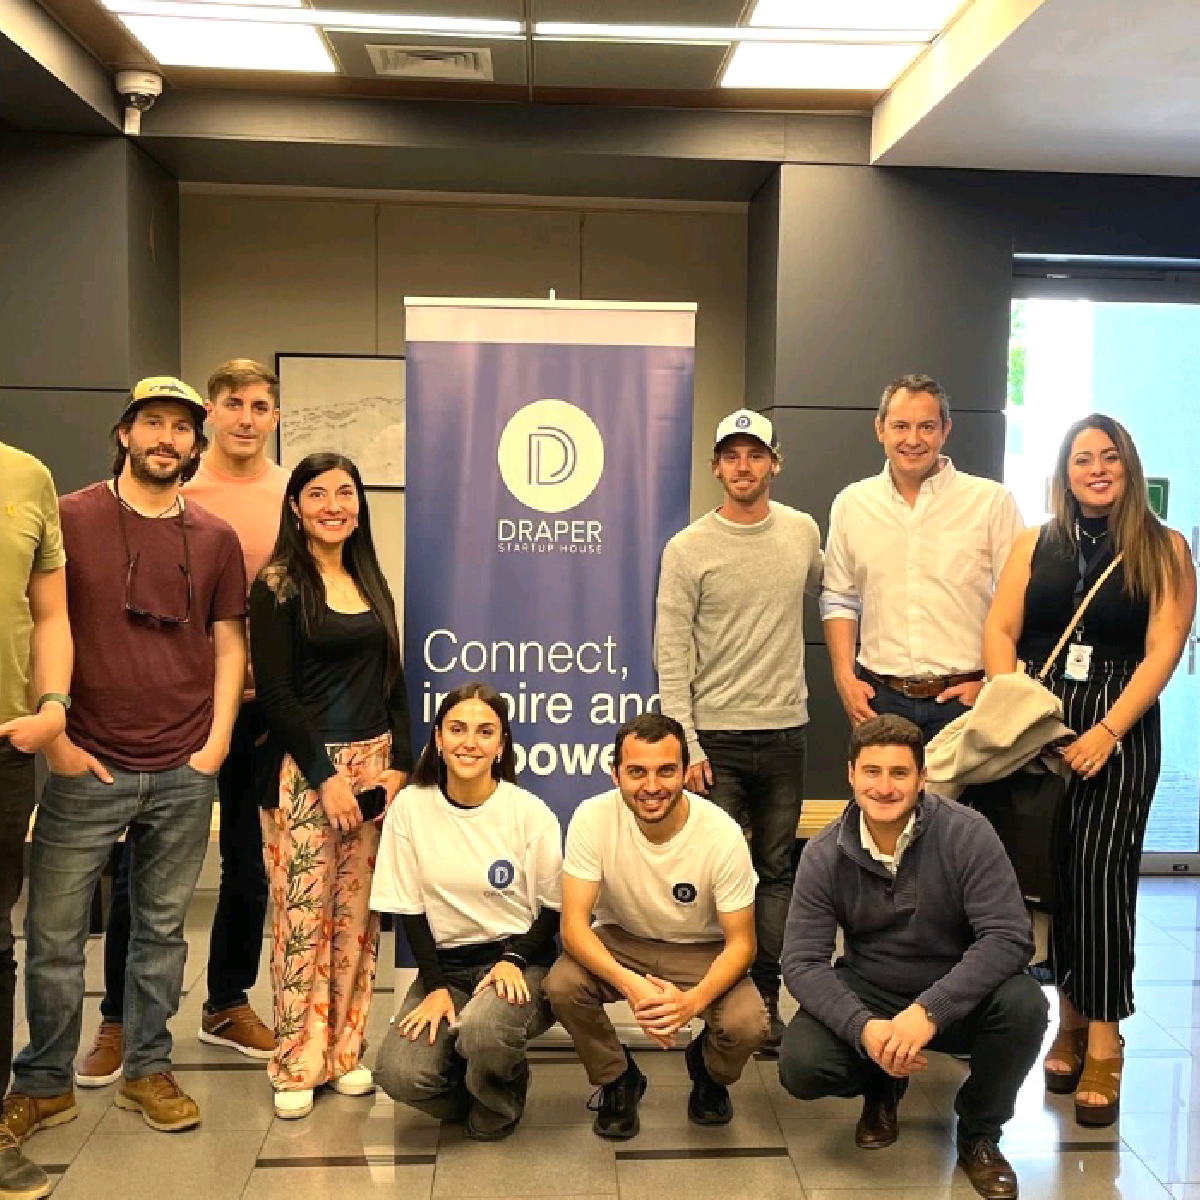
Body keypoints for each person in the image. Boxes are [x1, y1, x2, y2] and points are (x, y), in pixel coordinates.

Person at [2, 377, 247, 1142]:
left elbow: (230, 644)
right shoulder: (69, 516)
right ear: (124, 433)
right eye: (152, 423)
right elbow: (42, 622)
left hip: (183, 768)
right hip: (87, 762)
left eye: (181, 428)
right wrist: (60, 740)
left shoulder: (215, 538)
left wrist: (215, 744)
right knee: (53, 937)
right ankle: (43, 1083)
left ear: (196, 445)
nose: (166, 438)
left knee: (162, 935)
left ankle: (147, 1069)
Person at [79, 359, 288, 1087]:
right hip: (173, 712)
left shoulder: (291, 495)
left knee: (248, 867)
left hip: (263, 711)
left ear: (274, 417)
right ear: (210, 414)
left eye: (259, 406)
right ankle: (119, 1017)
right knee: (140, 871)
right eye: (233, 403)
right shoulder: (173, 492)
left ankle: (226, 1002)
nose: (246, 418)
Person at [983, 413, 1195, 1127]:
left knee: (1101, 878)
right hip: (1040, 715)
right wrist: (1013, 707)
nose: (1096, 469)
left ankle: (1105, 1037)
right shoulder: (1034, 541)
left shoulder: (1165, 547)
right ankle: (1068, 1023)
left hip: (1120, 718)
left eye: (1109, 457)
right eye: (1082, 459)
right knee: (1053, 877)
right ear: (1065, 473)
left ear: (1128, 466)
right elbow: (1000, 629)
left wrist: (1108, 730)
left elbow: (1165, 648)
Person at [778, 715, 1048, 1200]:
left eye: (899, 773)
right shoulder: (823, 852)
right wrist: (864, 1029)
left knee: (1025, 1004)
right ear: (851, 774)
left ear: (923, 778)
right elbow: (802, 962)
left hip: (956, 993)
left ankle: (980, 1133)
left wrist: (929, 1012)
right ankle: (881, 1086)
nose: (884, 787)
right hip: (873, 990)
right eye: (872, 771)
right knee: (802, 1065)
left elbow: (1009, 937)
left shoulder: (967, 833)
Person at [249, 450, 413, 1119]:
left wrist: (400, 764)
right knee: (302, 921)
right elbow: (277, 695)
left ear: (359, 506)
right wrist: (325, 777)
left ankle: (344, 1052)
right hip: (306, 770)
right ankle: (296, 1060)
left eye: (345, 493)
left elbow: (393, 678)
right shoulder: (278, 584)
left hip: (375, 766)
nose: (333, 506)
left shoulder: (370, 578)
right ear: (295, 506)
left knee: (357, 921)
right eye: (317, 494)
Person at [654, 408, 822, 1052]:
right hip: (715, 741)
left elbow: (840, 591)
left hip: (785, 733)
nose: (743, 466)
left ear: (775, 463)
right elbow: (672, 654)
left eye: (755, 454)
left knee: (776, 871)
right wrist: (687, 745)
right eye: (732, 455)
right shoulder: (688, 548)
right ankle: (719, 999)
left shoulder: (802, 532)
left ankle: (767, 999)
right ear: (716, 467)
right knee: (719, 875)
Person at [545, 712, 767, 1140]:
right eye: (636, 772)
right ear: (615, 774)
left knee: (748, 1024)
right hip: (623, 939)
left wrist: (690, 1003)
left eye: (666, 771)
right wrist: (632, 986)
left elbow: (742, 945)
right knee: (563, 985)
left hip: (703, 948)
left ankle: (708, 1072)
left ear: (685, 771)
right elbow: (573, 927)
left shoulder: (721, 834)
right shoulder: (592, 818)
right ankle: (618, 1078)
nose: (651, 786)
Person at [372, 683, 562, 1141]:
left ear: (501, 745)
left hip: (518, 963)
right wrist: (435, 986)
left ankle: (500, 1093)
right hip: (449, 969)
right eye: (457, 729)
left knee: (482, 1031)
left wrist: (513, 959)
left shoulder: (529, 813)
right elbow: (410, 909)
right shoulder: (410, 807)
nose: (469, 742)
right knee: (399, 1075)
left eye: (484, 732)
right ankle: (477, 1082)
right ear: (438, 738)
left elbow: (554, 909)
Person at [822, 374, 1024, 742]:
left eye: (926, 427)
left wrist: (994, 683)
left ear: (945, 430)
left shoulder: (992, 503)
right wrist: (843, 677)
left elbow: (1019, 602)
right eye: (900, 426)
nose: (913, 440)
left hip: (966, 699)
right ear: (880, 429)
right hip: (880, 698)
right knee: (881, 784)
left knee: (967, 787)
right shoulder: (852, 504)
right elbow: (839, 597)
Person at [0, 442, 71, 1200]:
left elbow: (49, 612)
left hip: (4, 745)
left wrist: (53, 707)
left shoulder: (26, 476)